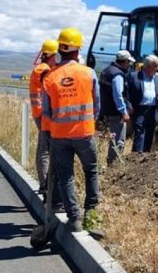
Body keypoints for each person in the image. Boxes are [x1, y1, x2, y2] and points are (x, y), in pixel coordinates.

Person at [42, 27, 101, 232]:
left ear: (60, 49)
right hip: (84, 133)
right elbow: (97, 105)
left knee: (65, 176)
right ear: (77, 51)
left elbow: (47, 112)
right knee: (91, 170)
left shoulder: (50, 78)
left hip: (59, 136)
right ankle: (92, 214)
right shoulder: (89, 73)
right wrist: (89, 122)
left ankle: (74, 218)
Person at [29, 39, 58, 198]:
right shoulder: (44, 69)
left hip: (40, 112)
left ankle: (44, 184)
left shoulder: (43, 68)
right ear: (52, 55)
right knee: (45, 151)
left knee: (44, 149)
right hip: (43, 114)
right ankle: (45, 185)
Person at [99, 50, 135, 165]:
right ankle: (114, 165)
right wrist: (123, 111)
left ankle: (111, 162)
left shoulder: (106, 71)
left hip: (106, 109)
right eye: (128, 62)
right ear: (124, 62)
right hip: (115, 112)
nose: (129, 65)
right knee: (118, 140)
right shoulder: (117, 75)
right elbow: (118, 94)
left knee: (113, 138)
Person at [126, 54, 158, 153]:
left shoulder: (157, 78)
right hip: (139, 110)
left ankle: (146, 158)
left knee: (150, 133)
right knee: (140, 133)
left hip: (153, 110)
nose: (157, 69)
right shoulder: (134, 76)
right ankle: (136, 156)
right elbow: (126, 93)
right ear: (148, 66)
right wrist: (128, 106)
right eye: (156, 66)